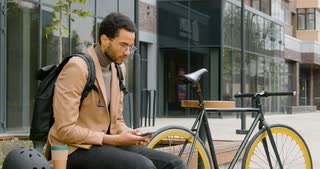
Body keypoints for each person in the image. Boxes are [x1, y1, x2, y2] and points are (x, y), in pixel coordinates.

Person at [46, 12, 186, 169]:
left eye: (130, 47)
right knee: (142, 166)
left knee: (174, 164)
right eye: (123, 45)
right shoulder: (77, 67)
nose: (127, 52)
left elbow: (117, 120)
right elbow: (65, 130)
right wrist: (114, 140)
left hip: (107, 145)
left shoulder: (118, 68)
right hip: (73, 149)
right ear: (105, 40)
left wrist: (130, 134)